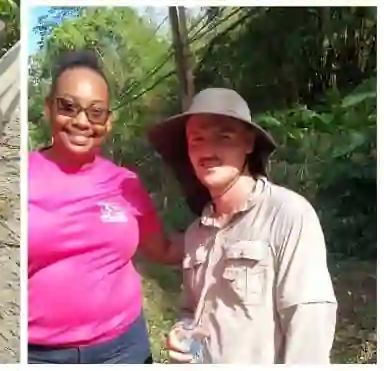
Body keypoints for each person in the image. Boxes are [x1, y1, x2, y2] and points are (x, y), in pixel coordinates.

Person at [147, 88, 337, 364]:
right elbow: (192, 313)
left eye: (223, 137)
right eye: (196, 140)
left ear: (248, 143)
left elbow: (310, 329)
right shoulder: (196, 233)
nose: (208, 151)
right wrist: (182, 333)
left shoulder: (288, 216)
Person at [29, 50, 183, 364]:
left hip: (125, 349)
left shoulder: (125, 183)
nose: (81, 121)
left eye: (96, 112)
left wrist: (218, 230)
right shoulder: (21, 176)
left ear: (108, 122)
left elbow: (164, 251)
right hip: (39, 356)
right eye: (68, 107)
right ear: (48, 108)